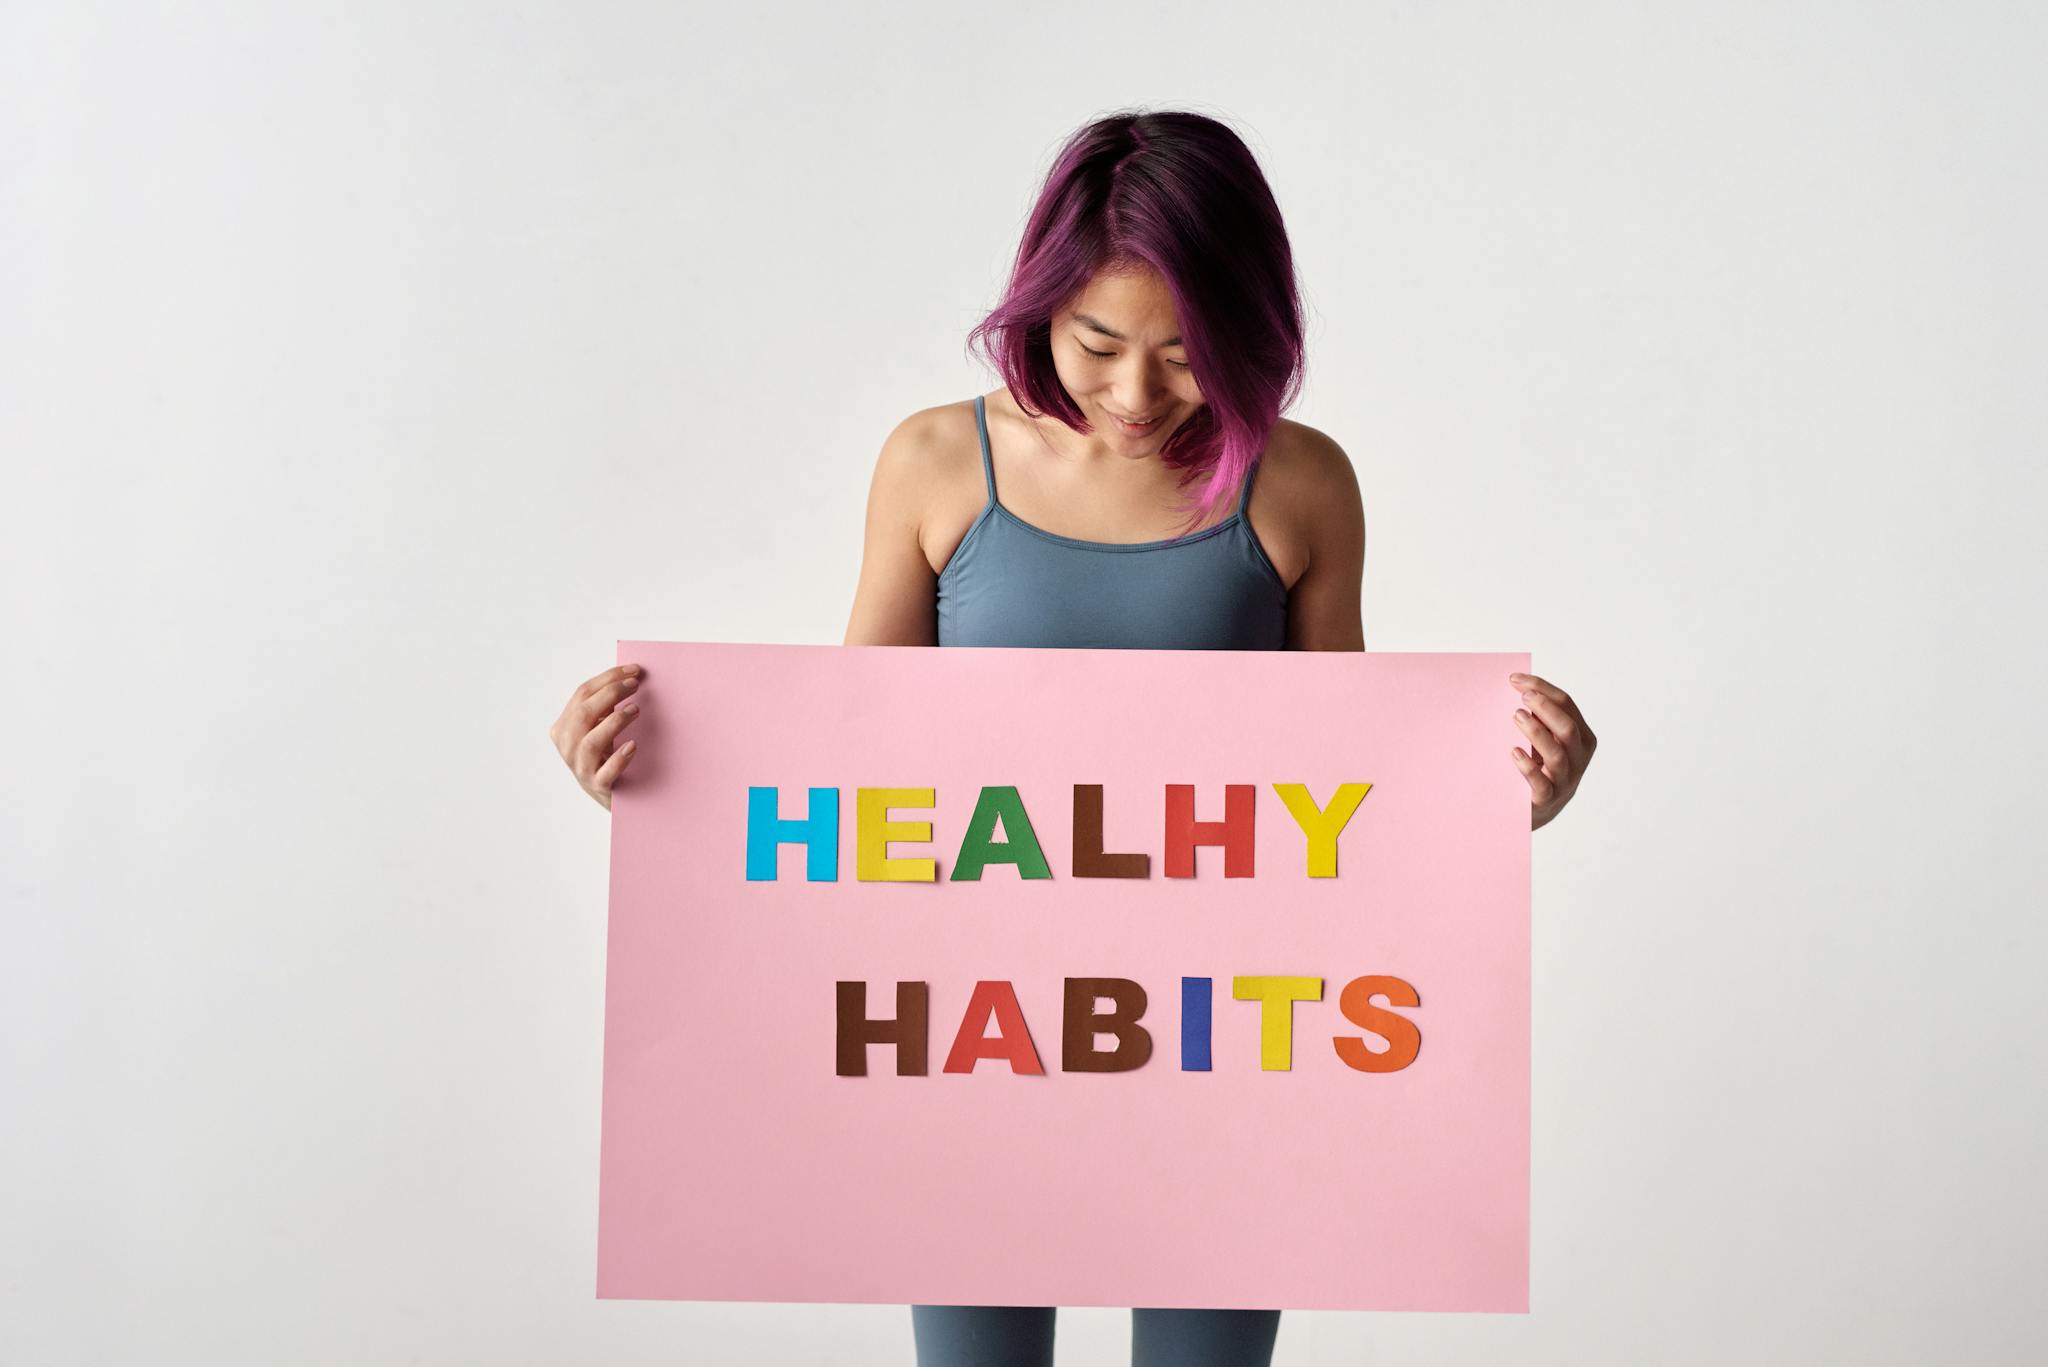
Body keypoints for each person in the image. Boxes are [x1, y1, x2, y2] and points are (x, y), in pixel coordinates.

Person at [549, 108, 1597, 1367]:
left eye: (1187, 352)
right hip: (971, 1040)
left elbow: (1345, 812)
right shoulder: (937, 463)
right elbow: (839, 776)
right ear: (1039, 303)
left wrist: (1506, 802)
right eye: (1098, 341)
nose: (1135, 392)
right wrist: (666, 789)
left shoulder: (1300, 482)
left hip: (1228, 1048)